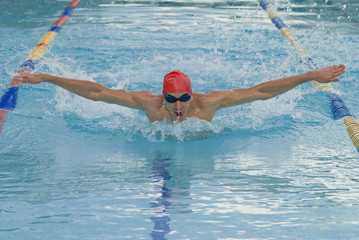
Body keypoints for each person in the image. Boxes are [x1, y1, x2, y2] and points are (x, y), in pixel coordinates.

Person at [14, 64, 346, 122]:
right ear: (162, 97)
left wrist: (309, 76)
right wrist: (45, 78)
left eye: (182, 99)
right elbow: (98, 93)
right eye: (170, 99)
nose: (176, 107)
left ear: (192, 96)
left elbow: (261, 92)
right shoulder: (149, 104)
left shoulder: (210, 102)